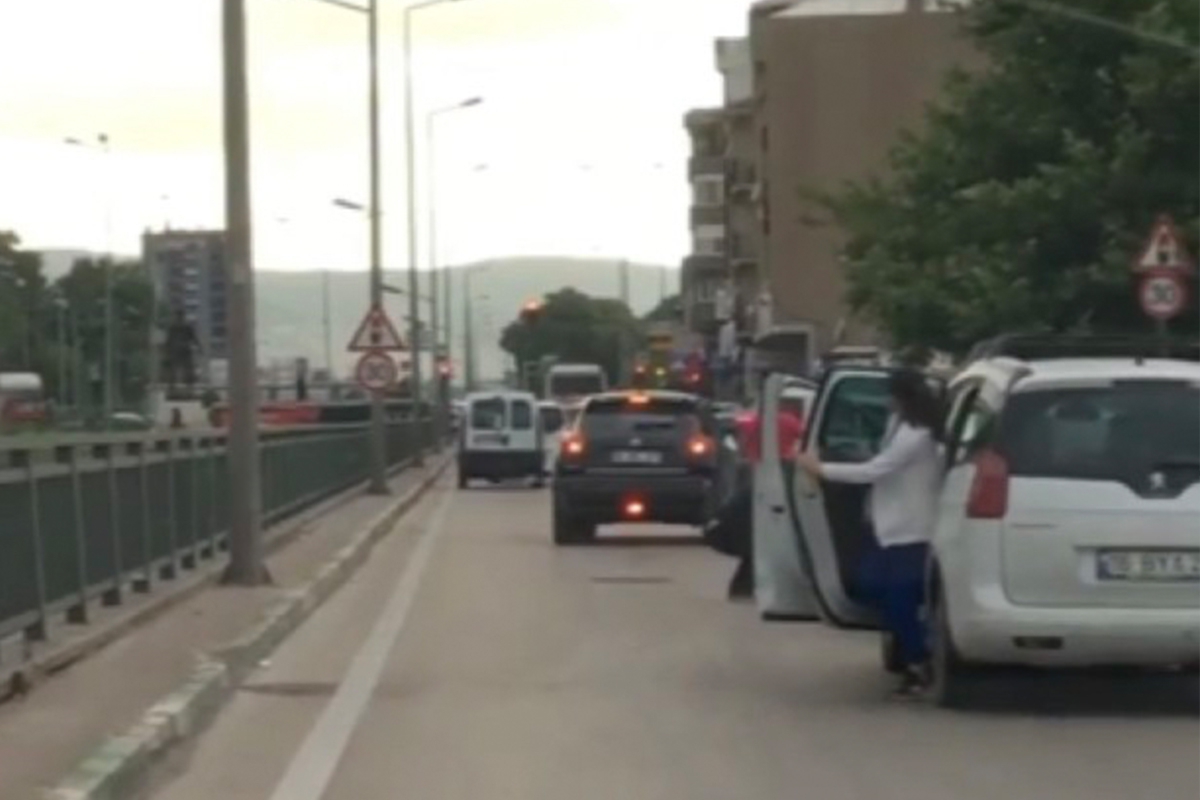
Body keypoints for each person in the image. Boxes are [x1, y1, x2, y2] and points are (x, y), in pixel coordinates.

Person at [795, 369, 943, 697]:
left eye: (891, 395)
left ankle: (920, 660)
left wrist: (822, 469)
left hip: (913, 529)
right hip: (891, 528)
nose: (887, 401)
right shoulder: (899, 426)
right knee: (871, 586)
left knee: (896, 596)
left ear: (904, 398)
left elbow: (877, 469)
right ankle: (917, 649)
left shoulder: (916, 435)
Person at [723, 399, 805, 599]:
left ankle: (743, 585)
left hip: (755, 472)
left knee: (757, 527)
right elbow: (805, 439)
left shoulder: (754, 421)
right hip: (781, 473)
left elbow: (735, 428)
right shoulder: (790, 421)